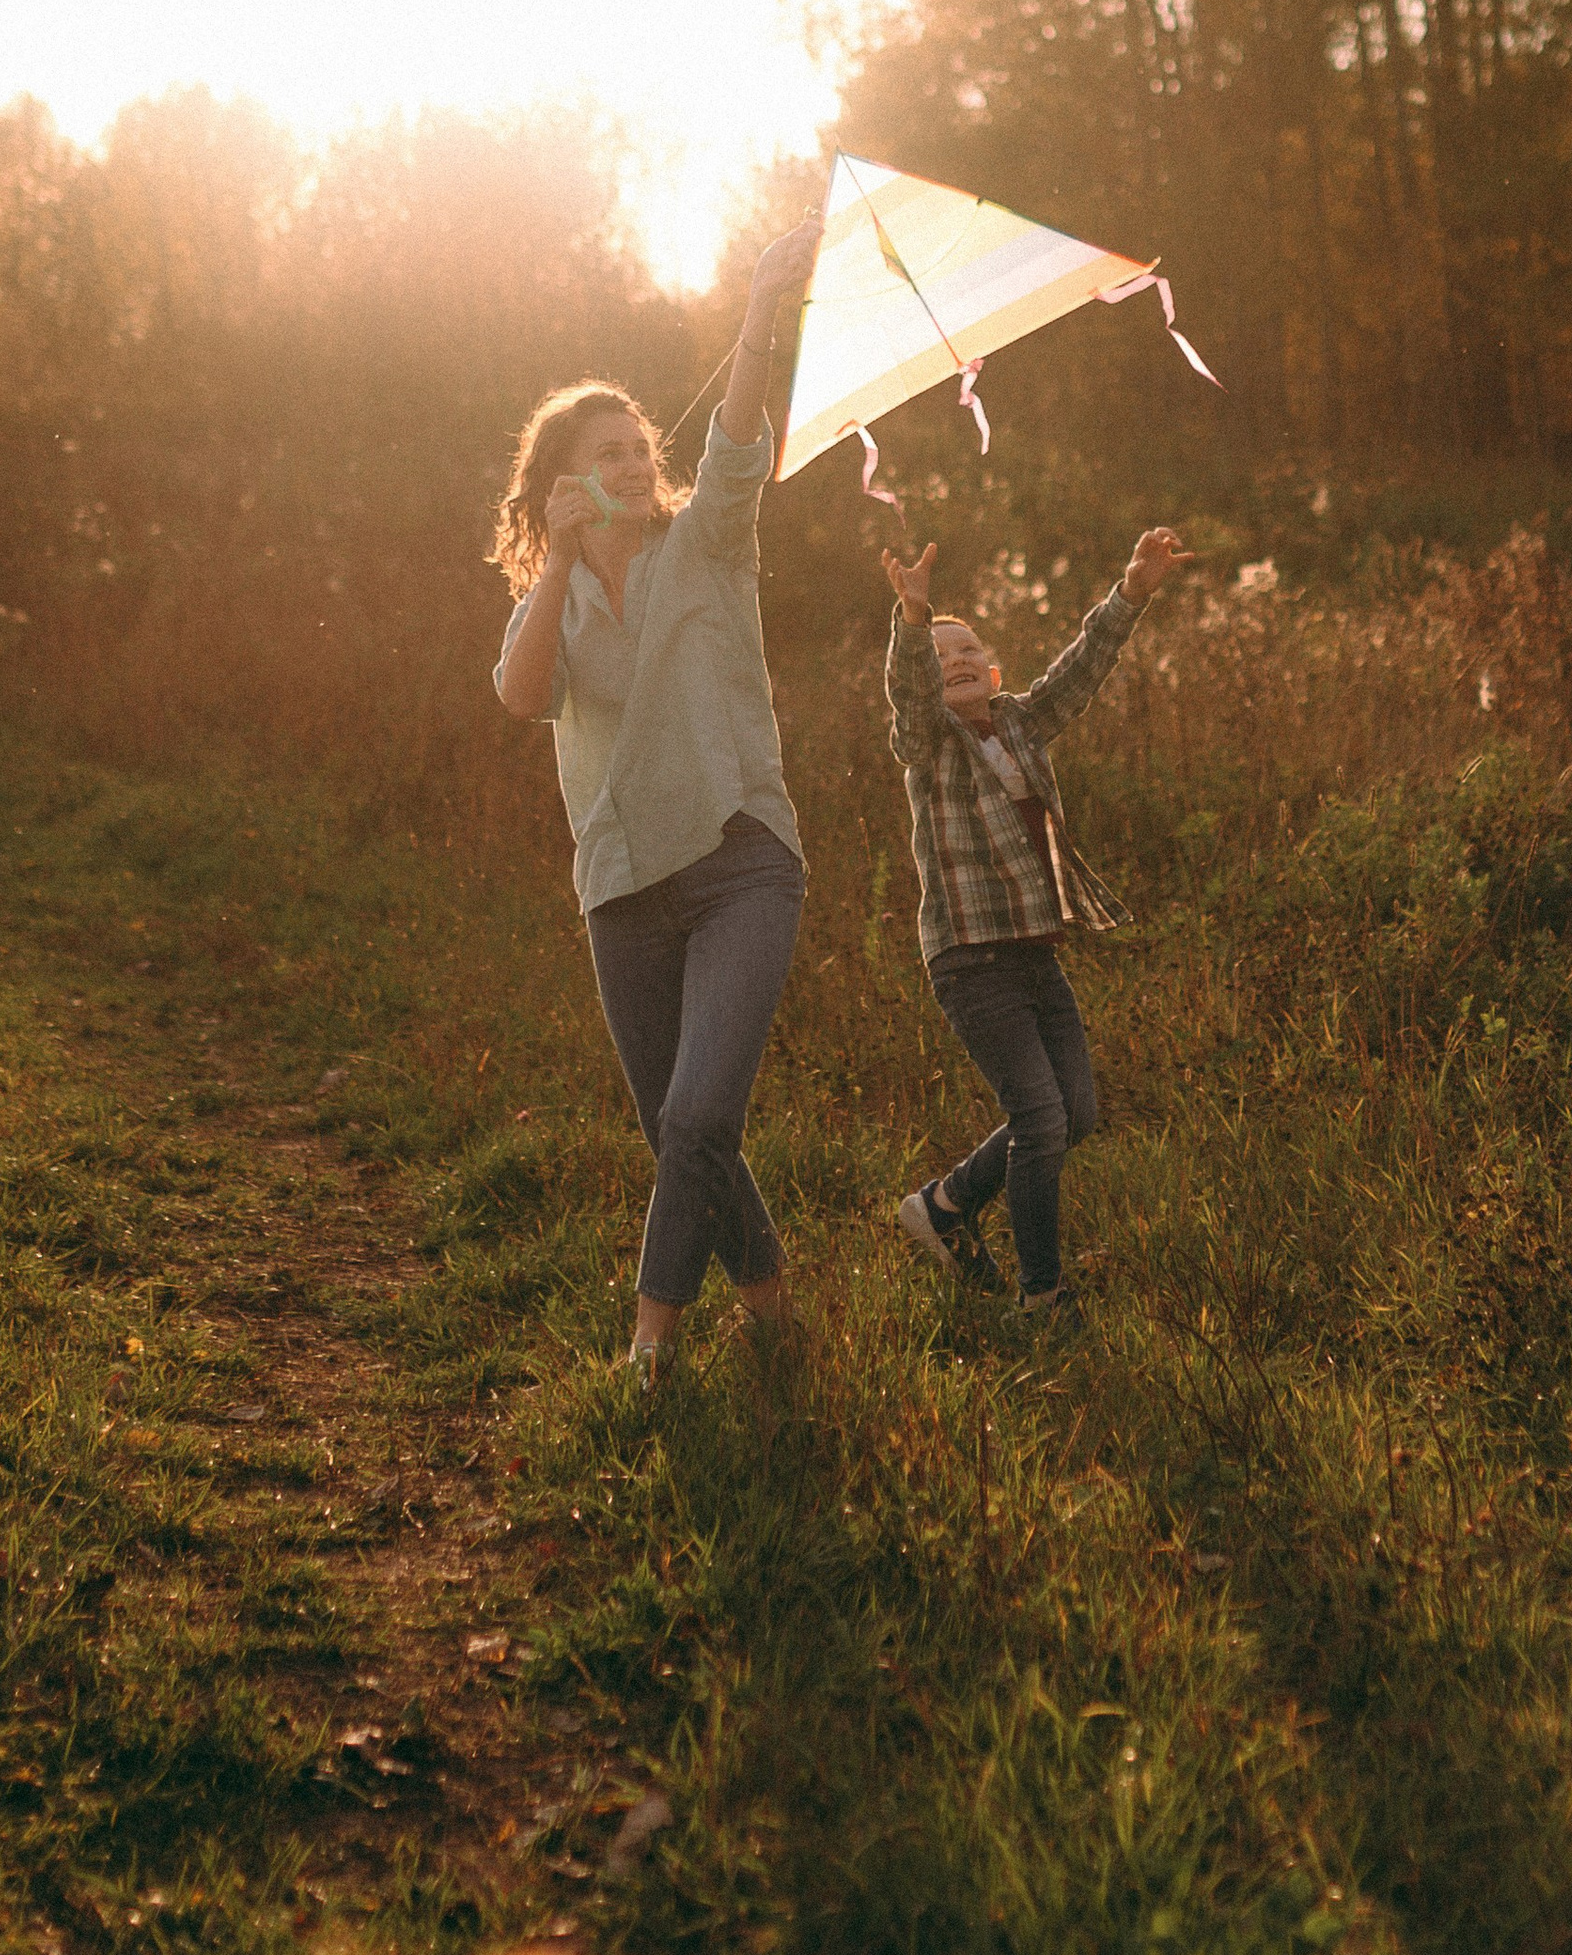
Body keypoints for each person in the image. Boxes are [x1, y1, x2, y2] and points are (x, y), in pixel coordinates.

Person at [489, 211, 822, 1396]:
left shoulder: (708, 544)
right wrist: (559, 567)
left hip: (739, 865)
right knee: (683, 1132)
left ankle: (650, 1349)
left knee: (695, 1117)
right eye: (608, 454)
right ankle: (776, 1318)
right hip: (623, 887)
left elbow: (734, 442)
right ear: (563, 485)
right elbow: (522, 698)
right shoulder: (552, 598)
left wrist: (760, 309)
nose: (635, 465)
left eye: (640, 448)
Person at [882, 522, 1191, 1319]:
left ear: (993, 672)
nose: (954, 659)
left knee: (1074, 1112)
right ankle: (1042, 1293)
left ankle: (946, 1204)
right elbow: (909, 698)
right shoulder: (929, 743)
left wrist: (1132, 591)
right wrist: (914, 619)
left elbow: (1081, 668)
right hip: (970, 960)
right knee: (1040, 1117)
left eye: (967, 650)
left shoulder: (1019, 720)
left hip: (1034, 955)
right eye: (940, 655)